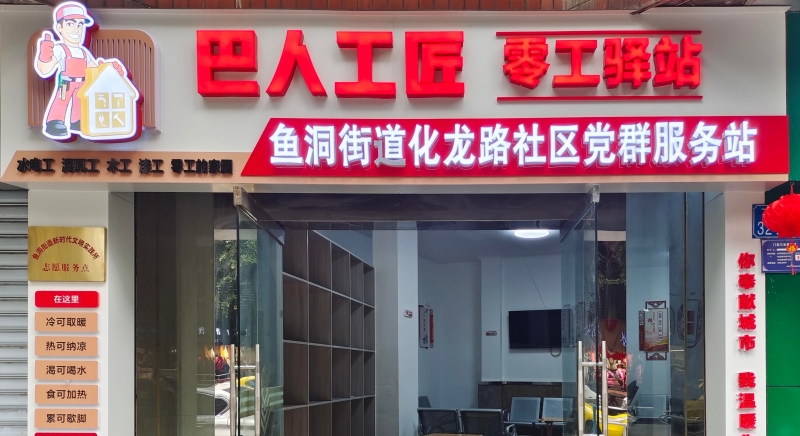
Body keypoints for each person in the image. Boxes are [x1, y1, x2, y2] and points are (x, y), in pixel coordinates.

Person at [33, 1, 125, 139]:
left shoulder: (84, 52)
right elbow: (45, 70)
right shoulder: (60, 49)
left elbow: (95, 70)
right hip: (66, 82)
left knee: (80, 103)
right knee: (61, 102)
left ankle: (77, 121)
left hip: (83, 84)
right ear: (59, 27)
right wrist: (45, 56)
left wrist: (109, 69)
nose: (76, 30)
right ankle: (54, 122)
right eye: (70, 24)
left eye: (80, 25)